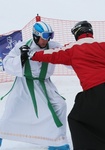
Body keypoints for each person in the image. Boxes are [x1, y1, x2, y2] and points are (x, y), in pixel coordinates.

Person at [27, 20, 105, 150]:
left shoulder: (72, 48)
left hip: (94, 90)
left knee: (77, 119)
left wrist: (31, 54)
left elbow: (52, 55)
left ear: (77, 33)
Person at [0, 21, 70, 150]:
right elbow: (7, 64)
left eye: (49, 37)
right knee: (11, 111)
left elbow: (67, 57)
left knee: (60, 105)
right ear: (36, 36)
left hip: (44, 84)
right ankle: (2, 134)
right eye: (44, 37)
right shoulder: (22, 46)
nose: (46, 40)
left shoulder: (53, 46)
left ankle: (57, 142)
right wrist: (21, 57)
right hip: (24, 85)